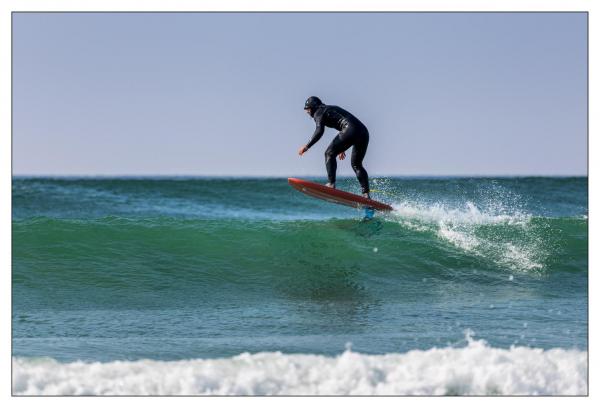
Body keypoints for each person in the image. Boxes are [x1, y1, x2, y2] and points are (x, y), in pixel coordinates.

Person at [298, 96, 371, 198]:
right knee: (357, 165)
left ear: (314, 107)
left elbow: (319, 131)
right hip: (363, 132)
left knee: (329, 153)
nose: (307, 112)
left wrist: (307, 146)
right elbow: (346, 124)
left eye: (308, 109)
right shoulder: (330, 108)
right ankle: (366, 194)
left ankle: (331, 184)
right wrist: (342, 147)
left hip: (350, 130)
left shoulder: (318, 112)